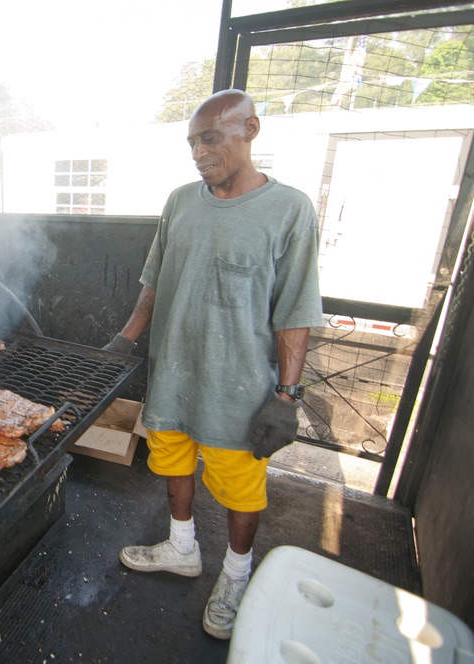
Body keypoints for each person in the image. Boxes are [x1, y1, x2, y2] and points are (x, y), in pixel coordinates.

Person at [103, 88, 323, 639]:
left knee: (240, 489)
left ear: (249, 129)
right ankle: (181, 549)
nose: (198, 153)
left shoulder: (289, 208)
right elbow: (154, 280)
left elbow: (295, 309)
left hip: (239, 389)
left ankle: (236, 575)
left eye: (210, 139)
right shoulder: (180, 201)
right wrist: (125, 340)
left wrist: (287, 397)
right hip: (173, 375)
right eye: (192, 143)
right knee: (171, 461)